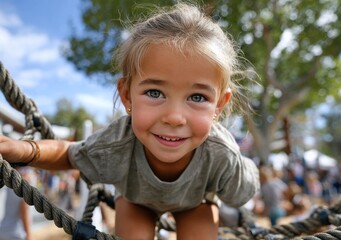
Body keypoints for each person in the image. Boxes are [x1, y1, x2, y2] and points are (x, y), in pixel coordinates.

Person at [0, 3, 259, 239]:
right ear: (126, 95)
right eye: (155, 93)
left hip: (196, 202)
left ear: (219, 105)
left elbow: (243, 191)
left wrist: (241, 181)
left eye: (197, 97)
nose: (174, 117)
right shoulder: (119, 142)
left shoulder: (220, 153)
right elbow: (70, 153)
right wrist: (24, 149)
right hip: (136, 200)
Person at [0, 167, 33, 240]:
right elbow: (24, 210)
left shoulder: (11, 182)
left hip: (3, 230)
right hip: (16, 233)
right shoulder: (25, 185)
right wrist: (28, 234)